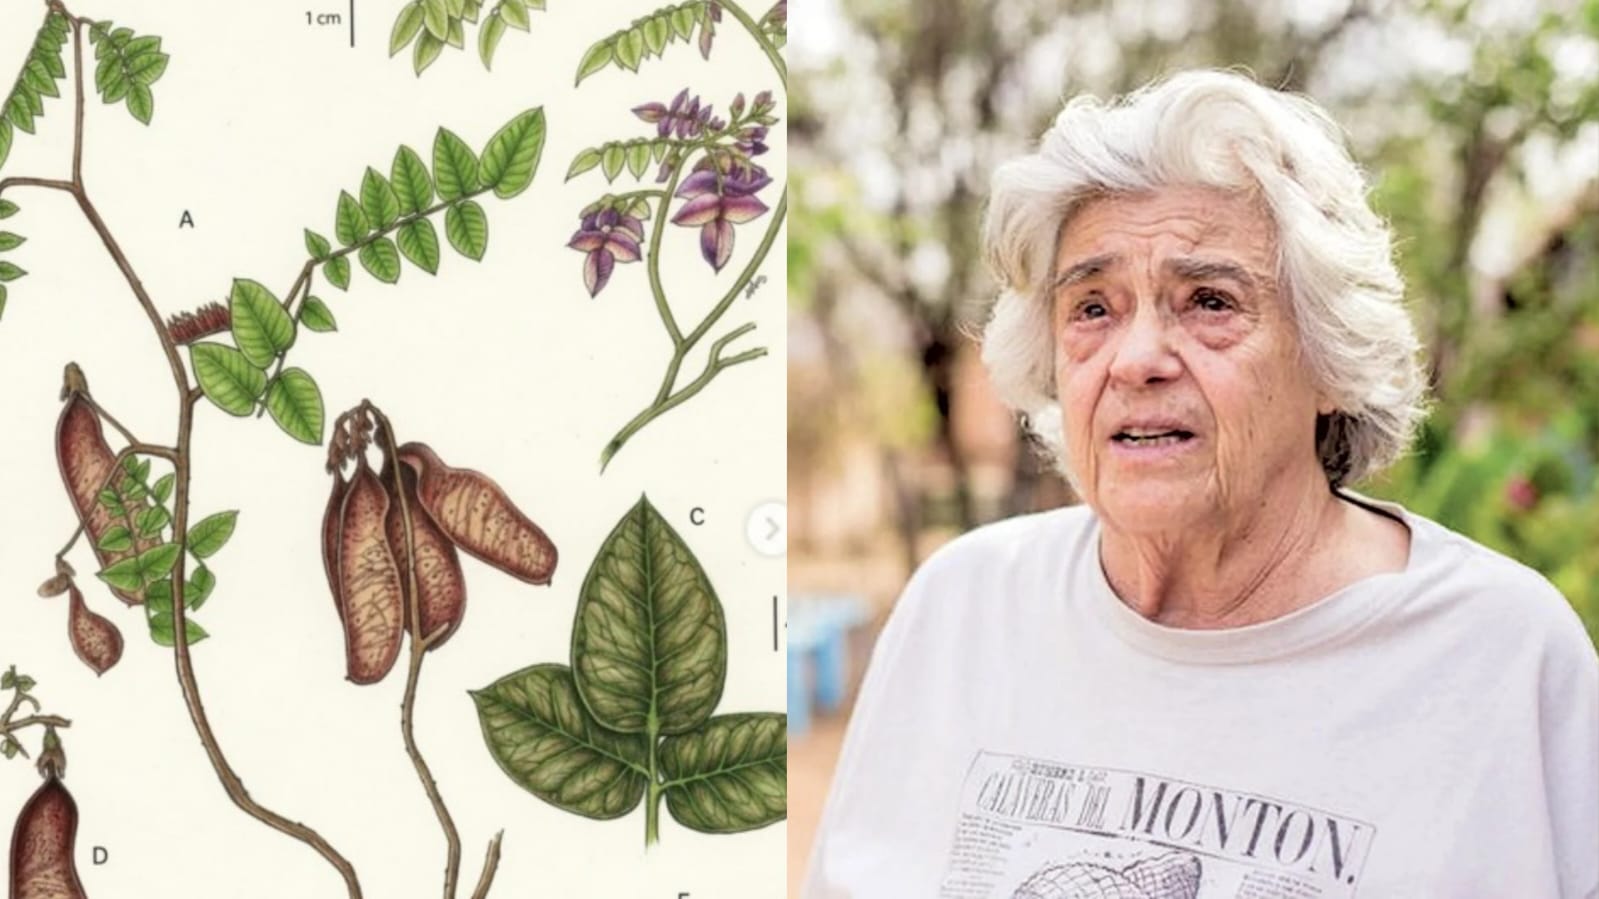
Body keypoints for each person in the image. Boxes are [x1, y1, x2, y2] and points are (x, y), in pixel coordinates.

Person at [802, 70, 1599, 899]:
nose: (1138, 357)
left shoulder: (1499, 655)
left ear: (1331, 358)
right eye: (1092, 308)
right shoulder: (961, 607)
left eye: (1208, 300)